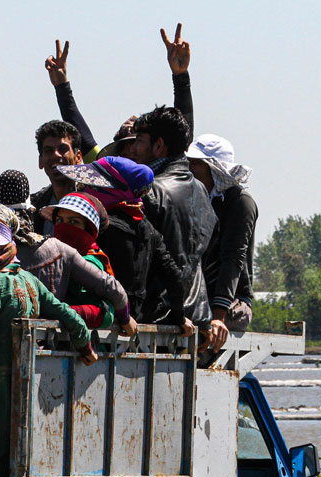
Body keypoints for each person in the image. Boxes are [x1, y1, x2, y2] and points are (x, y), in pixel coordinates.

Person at [0, 205, 96, 477]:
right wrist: (84, 344)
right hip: (26, 383)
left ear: (1, 246)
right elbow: (66, 313)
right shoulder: (28, 280)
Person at [0, 170, 136, 336]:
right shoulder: (59, 250)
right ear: (28, 210)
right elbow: (114, 290)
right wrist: (125, 318)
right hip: (48, 351)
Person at [55, 157, 193, 335]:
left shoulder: (99, 227)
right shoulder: (149, 230)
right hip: (131, 324)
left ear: (108, 189)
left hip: (99, 322)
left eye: (92, 185)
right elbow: (174, 276)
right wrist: (180, 318)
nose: (84, 189)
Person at [128, 106, 219, 346]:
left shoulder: (150, 192)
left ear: (158, 146)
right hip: (198, 318)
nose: (132, 150)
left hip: (161, 322)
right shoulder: (201, 189)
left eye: (138, 142)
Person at [42, 24, 194, 160]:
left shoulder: (161, 183)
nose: (131, 152)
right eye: (123, 153)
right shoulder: (108, 180)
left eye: (137, 141)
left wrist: (181, 77)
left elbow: (180, 136)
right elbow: (83, 137)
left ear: (157, 149)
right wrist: (61, 86)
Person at [187, 135, 258, 348]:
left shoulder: (240, 202)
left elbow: (233, 259)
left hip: (232, 300)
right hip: (200, 294)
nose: (190, 168)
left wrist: (218, 315)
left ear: (214, 168)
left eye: (197, 163)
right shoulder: (199, 198)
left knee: (205, 332)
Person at [40, 192, 118, 328]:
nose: (64, 227)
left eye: (73, 222)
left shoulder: (92, 261)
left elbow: (104, 313)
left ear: (88, 229)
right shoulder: (49, 259)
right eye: (59, 221)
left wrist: (57, 313)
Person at [30, 120, 85, 233]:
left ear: (78, 157)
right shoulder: (34, 207)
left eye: (63, 149)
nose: (56, 155)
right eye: (49, 150)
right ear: (40, 161)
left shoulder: (95, 200)